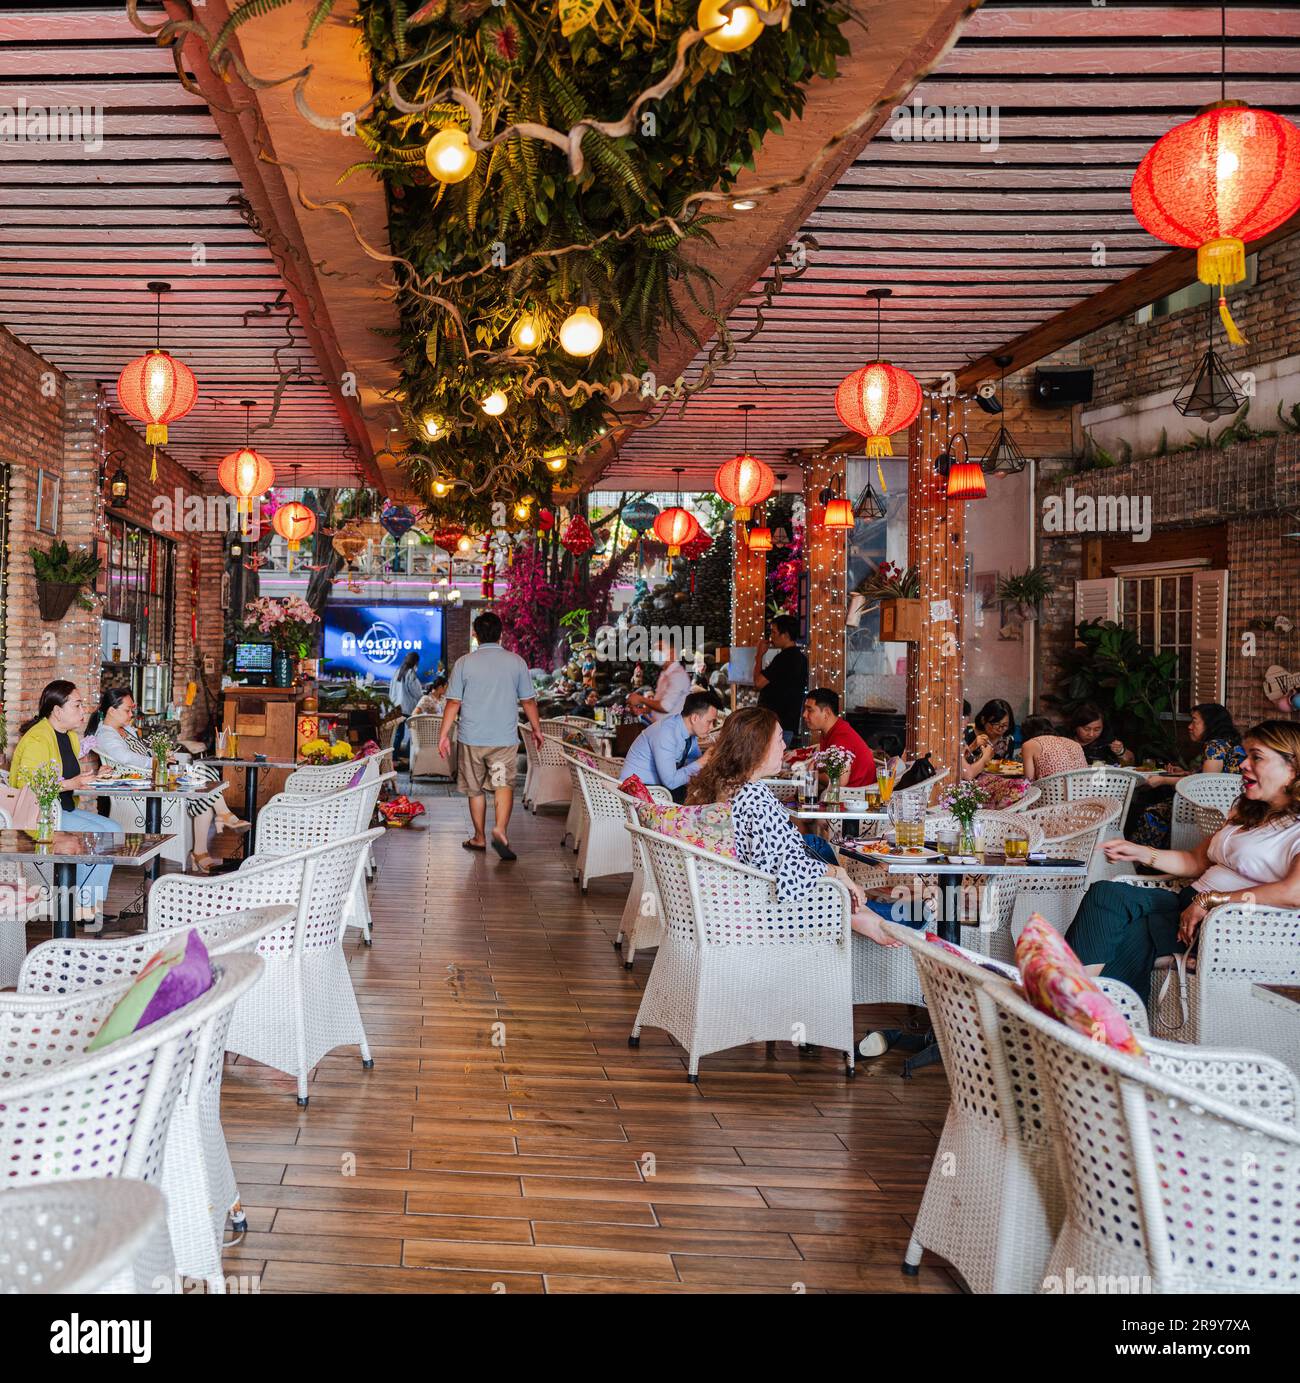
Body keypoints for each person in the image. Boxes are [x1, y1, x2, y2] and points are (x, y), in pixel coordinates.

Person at [1066, 720, 1300, 996]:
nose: (1243, 764)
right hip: (1185, 904)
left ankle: (1069, 996)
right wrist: (1139, 851)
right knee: (1122, 918)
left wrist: (1211, 900)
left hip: (1225, 927)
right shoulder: (1246, 810)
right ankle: (1098, 1013)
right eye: (1246, 755)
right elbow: (1195, 862)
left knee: (1118, 909)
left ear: (1293, 769)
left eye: (1256, 757)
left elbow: (1293, 892)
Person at [686, 706, 901, 949]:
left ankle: (873, 907)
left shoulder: (727, 785)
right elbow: (782, 868)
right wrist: (837, 875)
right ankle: (881, 914)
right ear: (756, 746)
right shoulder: (752, 797)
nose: (784, 747)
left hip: (745, 895)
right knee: (915, 916)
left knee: (817, 847)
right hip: (778, 909)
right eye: (778, 739)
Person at [86, 688, 246, 874]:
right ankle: (219, 823)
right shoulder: (106, 734)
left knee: (203, 781)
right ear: (112, 711)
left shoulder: (125, 730)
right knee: (203, 776)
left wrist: (160, 754)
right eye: (127, 710)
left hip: (154, 779)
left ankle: (204, 847)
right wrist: (156, 761)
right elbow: (126, 758)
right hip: (142, 790)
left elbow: (142, 752)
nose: (131, 714)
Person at [10, 681, 123, 922]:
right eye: (78, 705)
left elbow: (70, 778)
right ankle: (81, 907)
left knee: (113, 830)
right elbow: (26, 787)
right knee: (101, 834)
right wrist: (72, 784)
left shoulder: (69, 736)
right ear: (57, 711)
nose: (84, 711)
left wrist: (94, 777)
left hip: (62, 808)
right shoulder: (37, 739)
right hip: (38, 815)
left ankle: (87, 904)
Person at [440, 610, 543, 861]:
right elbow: (528, 701)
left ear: (475, 635)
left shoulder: (465, 663)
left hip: (471, 738)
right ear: (500, 635)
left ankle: (479, 837)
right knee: (502, 785)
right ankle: (500, 829)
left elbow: (453, 703)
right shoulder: (516, 662)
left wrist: (443, 735)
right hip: (503, 740)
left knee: (475, 789)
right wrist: (537, 729)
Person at [1129, 703, 1246, 848]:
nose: (1190, 726)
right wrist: (1187, 773)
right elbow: (1214, 775)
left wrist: (1163, 780)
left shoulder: (1214, 746)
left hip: (1210, 809)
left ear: (1210, 723)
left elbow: (1205, 783)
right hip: (1230, 804)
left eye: (1195, 721)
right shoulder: (1228, 742)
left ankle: (1140, 858)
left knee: (1152, 812)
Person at [620, 691, 719, 803]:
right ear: (695, 718)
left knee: (705, 794)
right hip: (637, 791)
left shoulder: (688, 734)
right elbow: (671, 782)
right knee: (700, 803)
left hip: (658, 789)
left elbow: (695, 764)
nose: (711, 727)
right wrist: (701, 762)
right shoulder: (666, 733)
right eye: (709, 721)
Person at [794, 689, 876, 787]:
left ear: (827, 713)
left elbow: (839, 781)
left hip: (855, 797)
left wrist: (811, 773)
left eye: (810, 710)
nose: (804, 715)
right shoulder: (830, 731)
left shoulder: (842, 737)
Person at [755, 614, 808, 747]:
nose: (771, 637)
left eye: (773, 632)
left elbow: (758, 683)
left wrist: (759, 655)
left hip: (776, 725)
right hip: (787, 723)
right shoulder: (800, 657)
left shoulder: (785, 658)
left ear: (785, 635)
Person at [626, 634, 691, 723]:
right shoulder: (665, 673)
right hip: (659, 727)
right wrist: (643, 711)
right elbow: (658, 702)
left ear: (672, 653)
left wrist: (641, 699)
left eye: (660, 649)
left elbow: (665, 707)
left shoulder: (678, 676)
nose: (655, 652)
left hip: (670, 732)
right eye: (655, 649)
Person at [960, 698, 1017, 780]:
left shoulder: (1008, 740)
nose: (1000, 729)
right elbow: (960, 766)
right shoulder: (966, 733)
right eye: (996, 724)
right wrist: (973, 746)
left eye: (1005, 725)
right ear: (983, 720)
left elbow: (1007, 768)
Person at [1020, 714, 1087, 782]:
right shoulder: (1075, 743)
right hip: (1085, 790)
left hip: (1052, 791)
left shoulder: (1029, 744)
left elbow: (1029, 780)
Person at [388, 650, 425, 764]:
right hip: (408, 708)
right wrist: (423, 698)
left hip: (396, 707)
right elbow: (416, 692)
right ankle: (410, 756)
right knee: (414, 732)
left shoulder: (398, 671)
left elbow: (391, 690)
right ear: (415, 662)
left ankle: (394, 758)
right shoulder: (410, 673)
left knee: (398, 734)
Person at [1069, 702, 1134, 765]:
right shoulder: (1065, 741)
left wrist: (1121, 751)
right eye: (1086, 729)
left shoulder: (1106, 740)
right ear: (1076, 726)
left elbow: (1131, 762)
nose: (1091, 734)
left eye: (1097, 729)